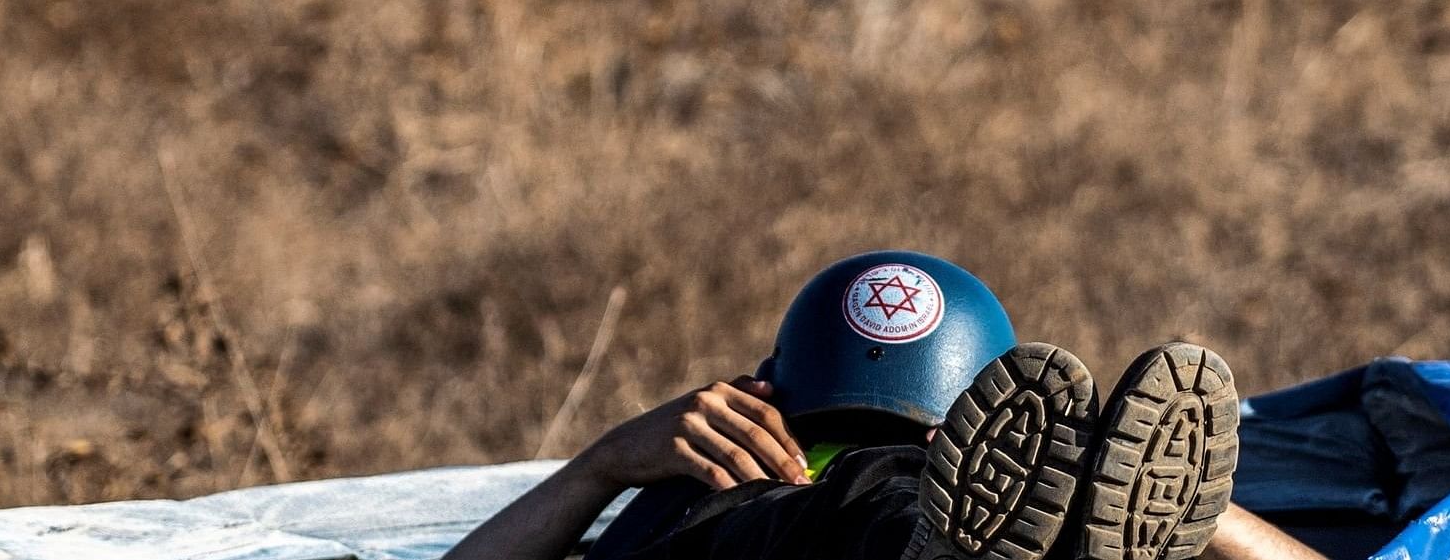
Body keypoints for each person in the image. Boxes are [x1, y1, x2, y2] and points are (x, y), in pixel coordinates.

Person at [440, 252, 1331, 560]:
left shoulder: (675, 482)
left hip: (724, 535)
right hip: (880, 515)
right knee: (885, 508)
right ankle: (939, 549)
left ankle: (938, 550)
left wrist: (600, 465)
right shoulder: (906, 474)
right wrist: (1200, 514)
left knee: (863, 513)